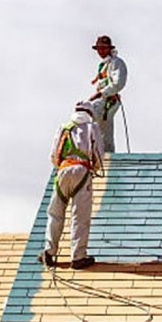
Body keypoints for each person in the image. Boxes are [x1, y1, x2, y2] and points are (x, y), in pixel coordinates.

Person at [38, 101, 104, 270]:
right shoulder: (91, 127)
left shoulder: (64, 127)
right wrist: (94, 167)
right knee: (80, 216)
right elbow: (97, 153)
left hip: (63, 170)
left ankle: (49, 251)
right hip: (81, 170)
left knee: (55, 213)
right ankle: (78, 256)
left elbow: (54, 155)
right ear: (89, 113)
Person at [89, 35, 128, 152]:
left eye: (104, 48)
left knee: (104, 130)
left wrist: (101, 93)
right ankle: (98, 153)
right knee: (98, 127)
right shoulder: (105, 64)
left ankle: (106, 155)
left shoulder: (116, 63)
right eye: (99, 49)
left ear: (109, 48)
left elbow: (118, 83)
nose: (101, 51)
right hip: (103, 98)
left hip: (109, 100)